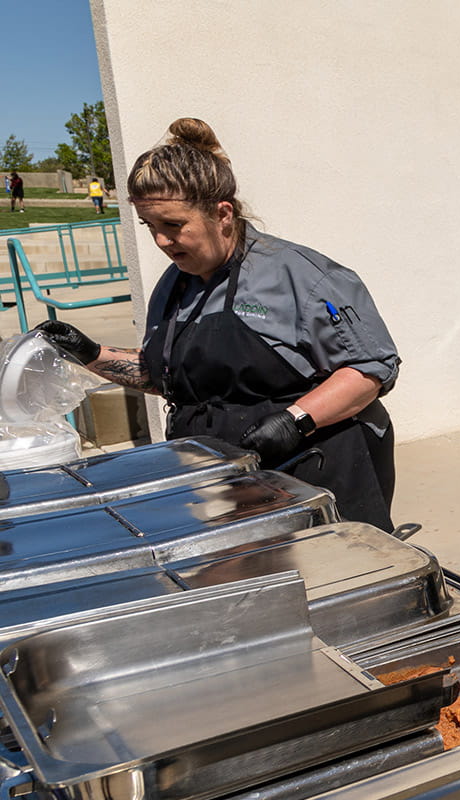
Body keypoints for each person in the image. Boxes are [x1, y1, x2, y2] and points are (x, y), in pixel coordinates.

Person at [37, 118, 400, 530]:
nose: (160, 242)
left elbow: (371, 369)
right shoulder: (172, 288)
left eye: (173, 226)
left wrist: (294, 420)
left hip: (315, 468)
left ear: (222, 213)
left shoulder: (302, 276)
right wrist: (90, 353)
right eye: (151, 227)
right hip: (217, 479)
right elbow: (167, 378)